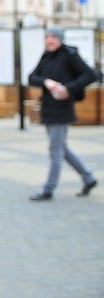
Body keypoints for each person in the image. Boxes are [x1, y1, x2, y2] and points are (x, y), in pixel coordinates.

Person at [27, 26, 98, 201]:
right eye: (47, 37)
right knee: (61, 148)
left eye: (53, 37)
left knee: (55, 149)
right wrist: (47, 81)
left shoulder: (69, 55)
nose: (49, 40)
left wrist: (68, 88)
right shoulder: (46, 55)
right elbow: (31, 77)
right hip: (48, 107)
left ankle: (48, 189)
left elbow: (90, 75)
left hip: (63, 108)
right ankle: (88, 177)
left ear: (60, 39)